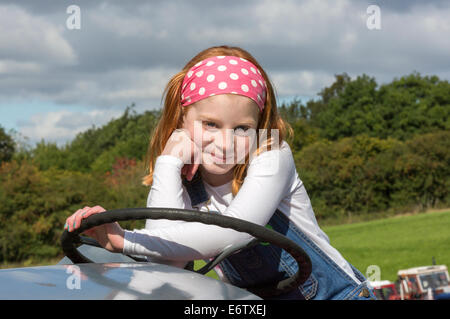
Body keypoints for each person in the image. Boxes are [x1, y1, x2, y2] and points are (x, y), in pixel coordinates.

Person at [64, 45, 376, 300]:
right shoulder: (186, 180)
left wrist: (125, 240)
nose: (225, 144)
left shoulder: (271, 154)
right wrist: (168, 164)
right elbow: (168, 261)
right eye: (210, 124)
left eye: (242, 128)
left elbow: (234, 231)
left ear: (259, 125)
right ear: (182, 117)